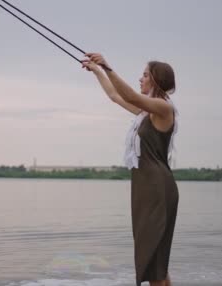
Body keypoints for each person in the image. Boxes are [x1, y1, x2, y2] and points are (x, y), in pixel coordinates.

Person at [81, 53, 179, 286]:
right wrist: (98, 70)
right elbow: (116, 96)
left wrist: (109, 66)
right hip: (146, 187)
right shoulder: (147, 112)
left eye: (145, 74)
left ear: (155, 80)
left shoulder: (163, 108)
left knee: (153, 261)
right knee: (156, 262)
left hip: (156, 189)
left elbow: (130, 95)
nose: (140, 78)